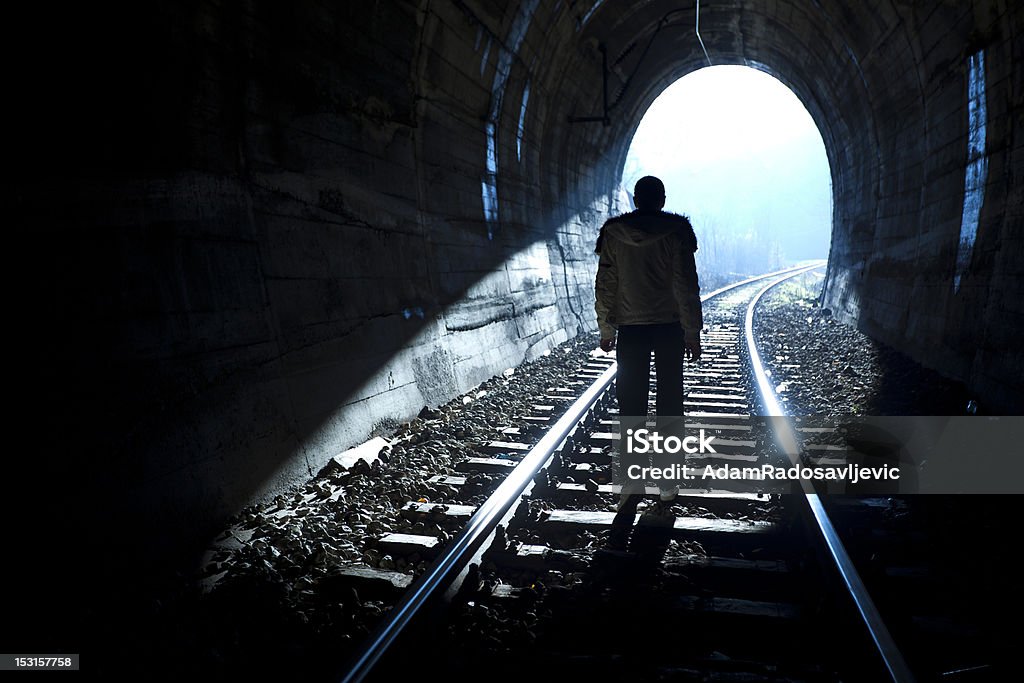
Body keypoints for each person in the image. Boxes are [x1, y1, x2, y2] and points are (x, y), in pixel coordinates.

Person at [595, 176, 702, 544]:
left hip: (631, 329)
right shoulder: (676, 232)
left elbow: (606, 283)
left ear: (637, 199)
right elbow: (685, 283)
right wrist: (692, 331)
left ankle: (630, 485)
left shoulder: (613, 233)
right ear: (662, 200)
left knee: (632, 406)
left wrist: (606, 328)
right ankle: (668, 485)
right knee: (671, 403)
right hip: (669, 328)